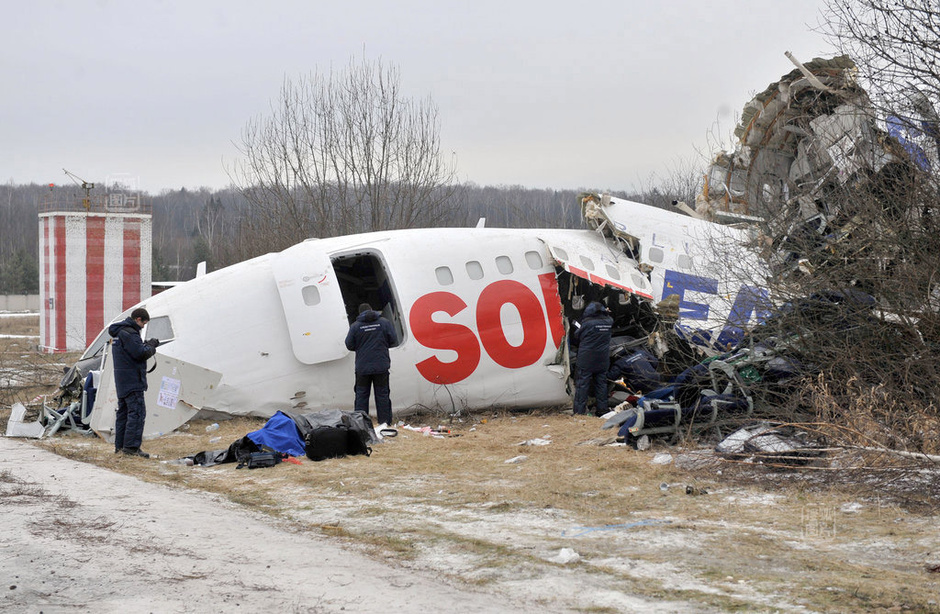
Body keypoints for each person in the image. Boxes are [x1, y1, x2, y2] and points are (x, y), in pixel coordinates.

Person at [109, 307, 160, 457]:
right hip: (133, 381)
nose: (143, 327)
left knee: (123, 415)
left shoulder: (119, 332)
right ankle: (131, 449)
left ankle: (120, 448)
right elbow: (140, 353)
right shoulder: (130, 333)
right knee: (136, 414)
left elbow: (131, 352)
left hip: (122, 381)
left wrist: (142, 344)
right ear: (138, 319)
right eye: (143, 323)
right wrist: (151, 345)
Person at [345, 303, 397, 426]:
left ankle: (361, 425)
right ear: (372, 310)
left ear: (360, 313)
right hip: (381, 366)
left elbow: (349, 345)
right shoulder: (384, 323)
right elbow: (393, 340)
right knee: (382, 395)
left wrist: (361, 347)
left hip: (363, 368)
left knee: (361, 396)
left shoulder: (356, 326)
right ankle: (384, 424)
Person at [572, 301, 614, 416]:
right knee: (601, 384)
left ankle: (579, 412)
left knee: (582, 385)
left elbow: (577, 335)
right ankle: (602, 410)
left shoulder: (587, 323)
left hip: (586, 359)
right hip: (602, 359)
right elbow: (608, 317)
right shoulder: (609, 321)